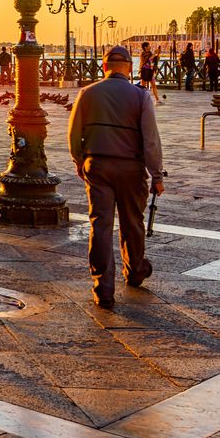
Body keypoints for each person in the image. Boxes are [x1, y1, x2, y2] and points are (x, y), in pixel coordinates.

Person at [67, 45, 164, 309]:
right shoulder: (140, 96)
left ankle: (103, 289)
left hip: (97, 165)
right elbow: (150, 140)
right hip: (131, 170)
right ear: (130, 68)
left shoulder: (87, 93)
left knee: (100, 225)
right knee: (133, 223)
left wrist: (79, 160)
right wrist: (157, 174)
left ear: (104, 66)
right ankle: (134, 271)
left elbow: (74, 134)